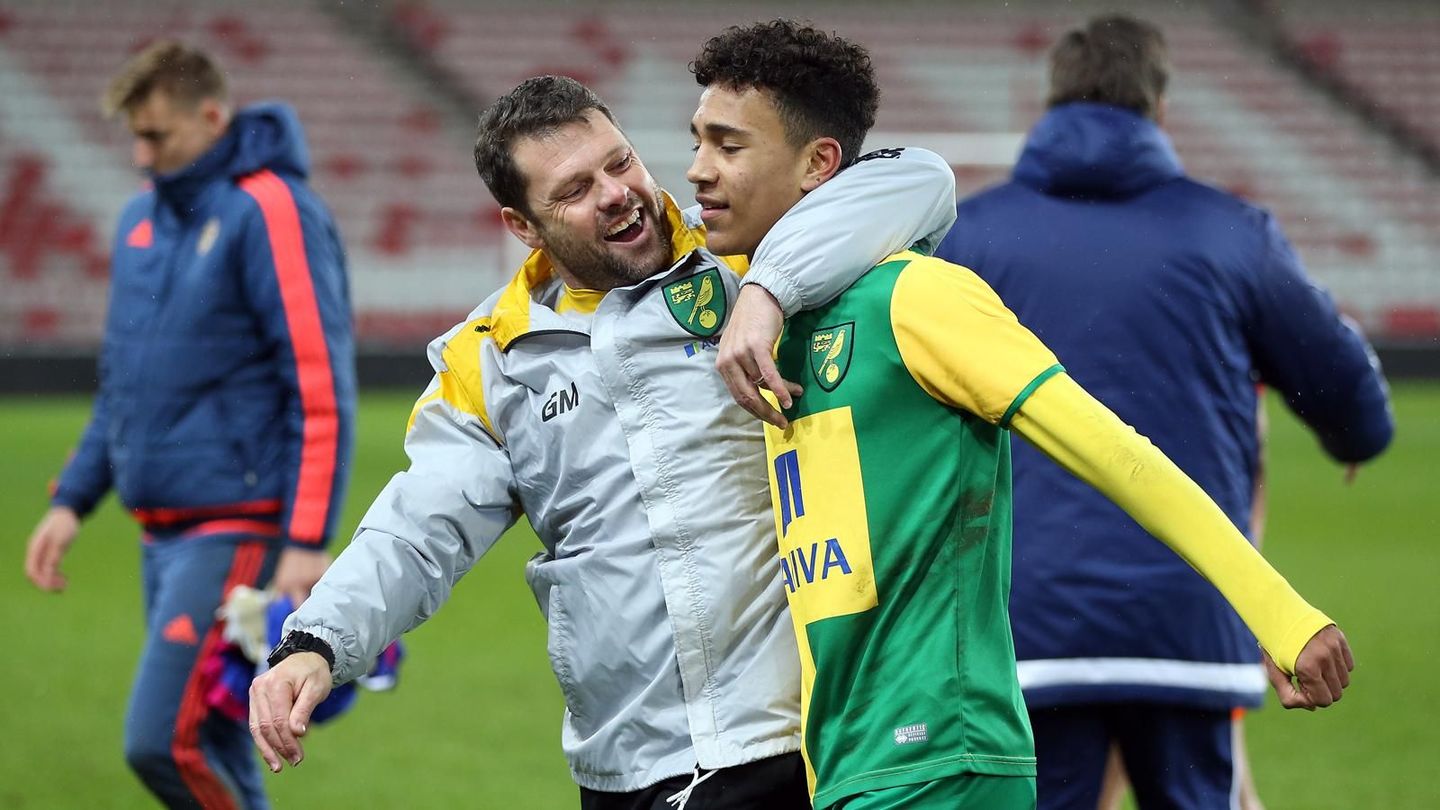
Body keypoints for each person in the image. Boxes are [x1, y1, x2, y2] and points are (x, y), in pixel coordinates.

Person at [690, 19, 1359, 810]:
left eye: (728, 147)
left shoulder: (919, 298)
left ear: (819, 163)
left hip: (943, 755)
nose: (699, 170)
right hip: (851, 760)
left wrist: (1279, 613)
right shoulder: (766, 322)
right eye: (698, 141)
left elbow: (1116, 451)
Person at [248, 74, 957, 809]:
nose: (617, 193)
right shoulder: (491, 358)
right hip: (627, 760)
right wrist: (317, 642)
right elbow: (419, 530)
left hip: (791, 736)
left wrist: (769, 292)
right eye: (574, 190)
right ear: (522, 226)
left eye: (620, 163)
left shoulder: (745, 255)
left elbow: (920, 180)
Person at [933, 15, 1393, 809]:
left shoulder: (965, 235)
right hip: (1189, 623)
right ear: (1161, 106)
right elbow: (1344, 387)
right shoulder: (1230, 232)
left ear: (1050, 102)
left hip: (1024, 626)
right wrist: (1354, 431)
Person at [20, 41, 355, 809]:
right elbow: (126, 387)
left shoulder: (272, 208)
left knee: (162, 742)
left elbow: (319, 379)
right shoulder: (142, 220)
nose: (142, 157)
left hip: (237, 528)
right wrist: (72, 500)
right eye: (134, 138)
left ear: (211, 117)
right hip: (159, 535)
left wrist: (307, 538)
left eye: (158, 136)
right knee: (218, 750)